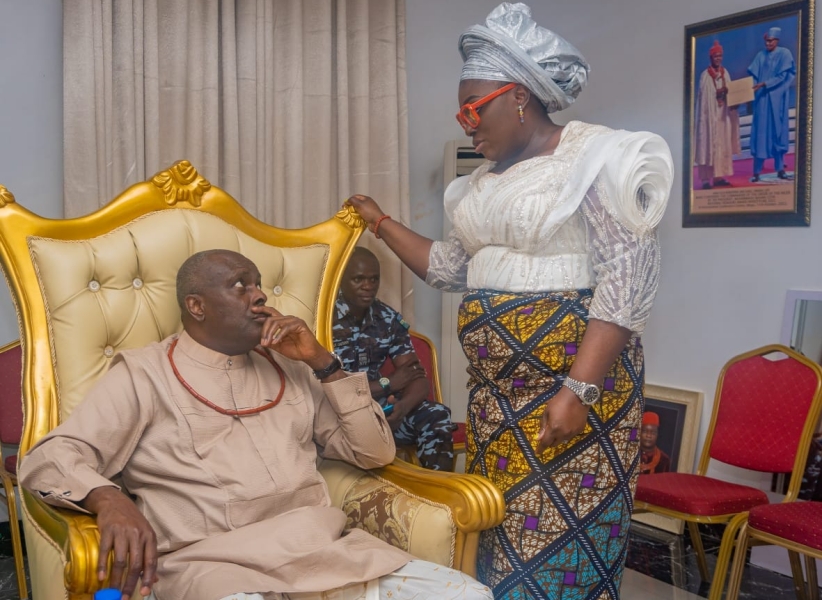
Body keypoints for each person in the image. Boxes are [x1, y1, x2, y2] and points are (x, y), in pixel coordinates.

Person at [345, 3, 673, 598]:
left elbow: (627, 280)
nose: (466, 124)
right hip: (500, 402)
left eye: (474, 109)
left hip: (577, 397)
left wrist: (578, 389)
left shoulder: (597, 157)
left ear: (517, 95)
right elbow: (450, 269)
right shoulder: (480, 186)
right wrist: (380, 222)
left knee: (561, 548)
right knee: (501, 542)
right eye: (460, 112)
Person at [18, 250, 493, 600]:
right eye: (240, 285)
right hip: (214, 567)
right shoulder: (143, 373)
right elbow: (51, 458)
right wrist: (109, 498)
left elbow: (375, 454)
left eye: (260, 283)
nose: (261, 295)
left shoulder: (290, 367)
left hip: (325, 554)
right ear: (197, 306)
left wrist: (324, 363)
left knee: (470, 596)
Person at [333, 246, 456, 471]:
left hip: (379, 414)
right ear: (340, 279)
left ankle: (438, 494)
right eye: (358, 279)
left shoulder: (387, 318)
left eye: (374, 279)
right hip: (334, 416)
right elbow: (331, 389)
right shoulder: (323, 319)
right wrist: (386, 384)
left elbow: (417, 378)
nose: (368, 286)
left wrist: (403, 407)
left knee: (435, 415)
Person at [747, 26, 796, 182]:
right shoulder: (760, 56)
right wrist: (749, 88)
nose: (768, 44)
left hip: (777, 99)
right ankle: (756, 172)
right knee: (760, 135)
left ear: (777, 40)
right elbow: (754, 76)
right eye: (766, 41)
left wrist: (765, 84)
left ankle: (780, 169)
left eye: (770, 41)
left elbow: (783, 76)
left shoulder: (784, 54)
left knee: (778, 133)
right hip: (762, 101)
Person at [694, 40, 741, 189]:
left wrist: (733, 99)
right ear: (711, 57)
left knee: (722, 144)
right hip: (709, 117)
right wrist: (717, 94)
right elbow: (703, 100)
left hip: (722, 115)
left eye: (720, 56)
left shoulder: (725, 73)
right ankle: (706, 180)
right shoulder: (705, 76)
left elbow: (732, 92)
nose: (718, 58)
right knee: (708, 146)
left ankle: (719, 177)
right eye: (715, 56)